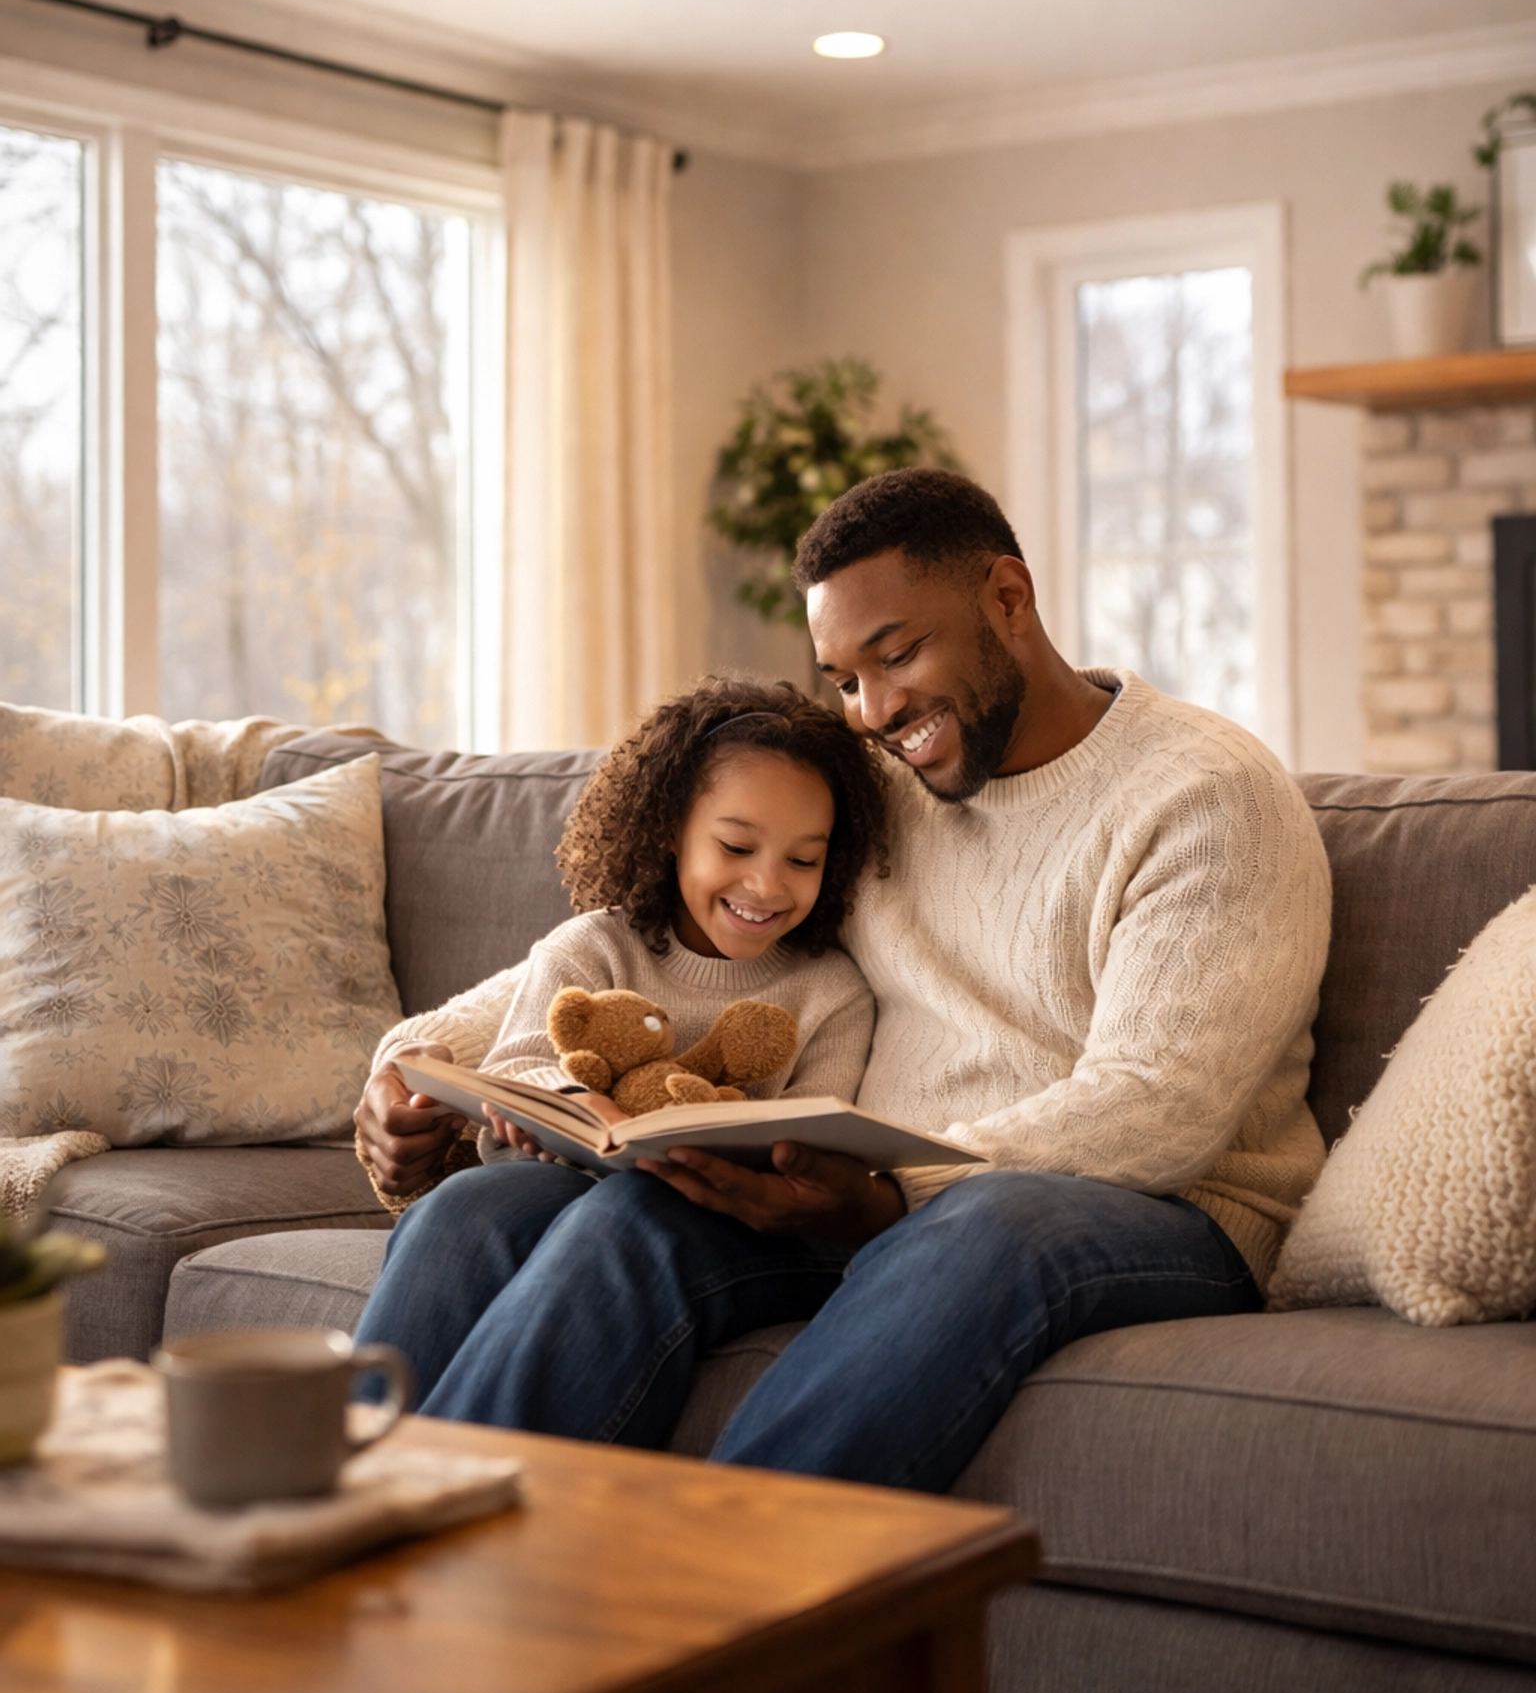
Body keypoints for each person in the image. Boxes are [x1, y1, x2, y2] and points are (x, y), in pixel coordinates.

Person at [355, 468, 1331, 1492]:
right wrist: (424, 1067)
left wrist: (893, 1194)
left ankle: (736, 1620)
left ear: (1008, 600)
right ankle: (374, 1558)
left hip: (1158, 1212)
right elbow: (641, 943)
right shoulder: (879, 790)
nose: (873, 711)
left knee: (990, 1222)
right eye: (845, 678)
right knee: (517, 1214)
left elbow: (1159, 1106)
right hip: (855, 1197)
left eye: (898, 654)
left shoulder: (1207, 798)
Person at [353, 677, 882, 1412]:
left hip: (722, 1218)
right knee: (464, 1210)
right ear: (670, 829)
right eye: (735, 845)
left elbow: (817, 1128)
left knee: (618, 1221)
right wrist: (576, 1104)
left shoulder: (833, 990)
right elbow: (520, 1059)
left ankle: (445, 1479)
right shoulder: (594, 944)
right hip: (568, 1178)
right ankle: (354, 1454)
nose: (766, 884)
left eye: (804, 860)